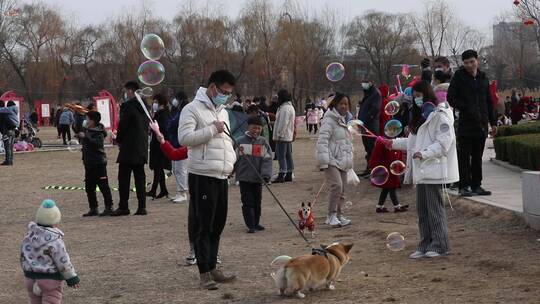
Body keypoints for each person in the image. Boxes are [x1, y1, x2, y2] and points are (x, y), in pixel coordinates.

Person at [380, 80, 459, 259]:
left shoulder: (440, 115)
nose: (416, 100)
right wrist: (392, 143)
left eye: (419, 96)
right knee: (423, 211)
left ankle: (440, 244)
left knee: (434, 209)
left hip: (434, 169)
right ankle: (425, 243)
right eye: (414, 97)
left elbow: (443, 144)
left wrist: (424, 154)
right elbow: (412, 143)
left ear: (427, 95)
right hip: (422, 171)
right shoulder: (420, 118)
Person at [178, 70, 237, 290]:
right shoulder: (191, 109)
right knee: (204, 224)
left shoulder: (223, 111)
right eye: (223, 92)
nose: (226, 96)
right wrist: (212, 129)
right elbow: (184, 139)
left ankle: (213, 266)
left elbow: (225, 142)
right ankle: (204, 273)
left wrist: (231, 162)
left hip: (221, 174)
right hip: (202, 175)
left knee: (218, 224)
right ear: (212, 87)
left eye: (229, 94)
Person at [448, 49, 497, 197]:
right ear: (463, 64)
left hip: (481, 124)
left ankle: (477, 185)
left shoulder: (483, 78)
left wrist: (493, 122)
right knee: (464, 157)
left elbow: (489, 101)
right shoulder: (459, 77)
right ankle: (463, 186)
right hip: (465, 123)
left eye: (472, 61)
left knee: (477, 157)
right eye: (466, 62)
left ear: (477, 61)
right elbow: (451, 97)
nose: (469, 65)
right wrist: (465, 107)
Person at [21, 200, 80, 303]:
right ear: (56, 220)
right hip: (50, 280)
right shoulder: (55, 241)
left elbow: (23, 256)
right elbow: (63, 261)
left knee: (34, 301)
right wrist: (71, 277)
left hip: (30, 278)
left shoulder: (29, 236)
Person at [316, 92, 353, 227]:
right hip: (331, 159)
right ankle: (331, 215)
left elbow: (347, 142)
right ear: (335, 104)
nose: (344, 106)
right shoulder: (329, 119)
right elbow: (322, 140)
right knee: (336, 185)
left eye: (346, 104)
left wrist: (349, 158)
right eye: (341, 103)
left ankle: (339, 215)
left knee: (342, 189)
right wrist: (324, 160)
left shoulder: (344, 120)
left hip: (342, 159)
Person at [112, 81, 150, 216]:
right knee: (140, 177)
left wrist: (118, 139)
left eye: (126, 91)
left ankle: (124, 206)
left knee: (123, 177)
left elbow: (123, 125)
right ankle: (142, 206)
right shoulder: (145, 106)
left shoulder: (127, 106)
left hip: (129, 146)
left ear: (130, 91)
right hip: (141, 146)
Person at [235, 117, 272, 233]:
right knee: (247, 201)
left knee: (257, 201)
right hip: (244, 178)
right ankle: (250, 224)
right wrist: (230, 170)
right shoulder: (239, 141)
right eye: (254, 127)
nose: (256, 130)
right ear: (248, 127)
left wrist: (265, 175)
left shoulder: (263, 142)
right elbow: (233, 158)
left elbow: (267, 159)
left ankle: (256, 222)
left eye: (259, 128)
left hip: (258, 178)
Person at [78, 111, 114, 217]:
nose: (86, 121)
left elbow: (97, 144)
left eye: (87, 119)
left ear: (93, 121)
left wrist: (85, 137)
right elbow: (88, 143)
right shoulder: (88, 130)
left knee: (103, 186)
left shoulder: (98, 132)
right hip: (89, 163)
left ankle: (109, 207)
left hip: (98, 163)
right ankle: (93, 208)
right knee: (89, 187)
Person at [147, 94, 172, 200]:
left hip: (160, 144)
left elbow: (163, 129)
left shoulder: (163, 115)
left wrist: (154, 128)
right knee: (159, 168)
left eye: (156, 102)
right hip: (157, 143)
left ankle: (153, 190)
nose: (154, 104)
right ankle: (163, 190)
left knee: (158, 167)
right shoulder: (159, 114)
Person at [167, 91, 190, 203]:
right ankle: (179, 191)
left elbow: (173, 125)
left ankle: (183, 192)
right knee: (176, 170)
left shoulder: (183, 112)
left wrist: (171, 124)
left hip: (181, 144)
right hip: (175, 144)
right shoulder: (178, 111)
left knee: (181, 170)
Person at [357, 80, 382, 178]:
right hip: (364, 124)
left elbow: (375, 109)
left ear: (371, 82)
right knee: (367, 148)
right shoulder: (368, 93)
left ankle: (373, 170)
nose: (364, 84)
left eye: (366, 82)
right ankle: (369, 168)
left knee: (372, 148)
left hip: (371, 125)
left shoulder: (375, 93)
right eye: (362, 83)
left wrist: (366, 119)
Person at [272, 89, 296, 183]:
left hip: (283, 136)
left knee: (281, 155)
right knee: (288, 155)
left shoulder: (285, 108)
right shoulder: (289, 107)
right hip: (287, 135)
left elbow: (283, 123)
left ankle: (282, 173)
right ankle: (289, 172)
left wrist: (279, 135)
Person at [0, 100, 19, 166]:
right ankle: (10, 160)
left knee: (7, 147)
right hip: (13, 130)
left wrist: (3, 132)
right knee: (10, 147)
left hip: (7, 131)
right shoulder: (14, 111)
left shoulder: (8, 111)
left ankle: (8, 161)